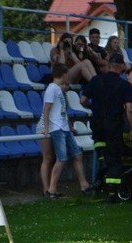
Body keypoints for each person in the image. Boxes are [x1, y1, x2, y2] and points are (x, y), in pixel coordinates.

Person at [80, 52, 132, 202]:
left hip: (97, 124)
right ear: (120, 67)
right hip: (113, 124)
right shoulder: (124, 85)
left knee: (101, 148)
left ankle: (102, 164)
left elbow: (82, 100)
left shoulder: (95, 80)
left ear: (109, 65)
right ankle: (112, 194)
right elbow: (130, 109)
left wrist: (93, 106)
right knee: (115, 158)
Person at [37, 63, 91, 199]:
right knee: (61, 158)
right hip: (57, 128)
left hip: (64, 127)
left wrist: (69, 126)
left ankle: (84, 184)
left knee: (77, 154)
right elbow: (47, 109)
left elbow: (60, 111)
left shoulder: (58, 90)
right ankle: (51, 189)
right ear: (63, 75)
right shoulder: (51, 89)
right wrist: (47, 128)